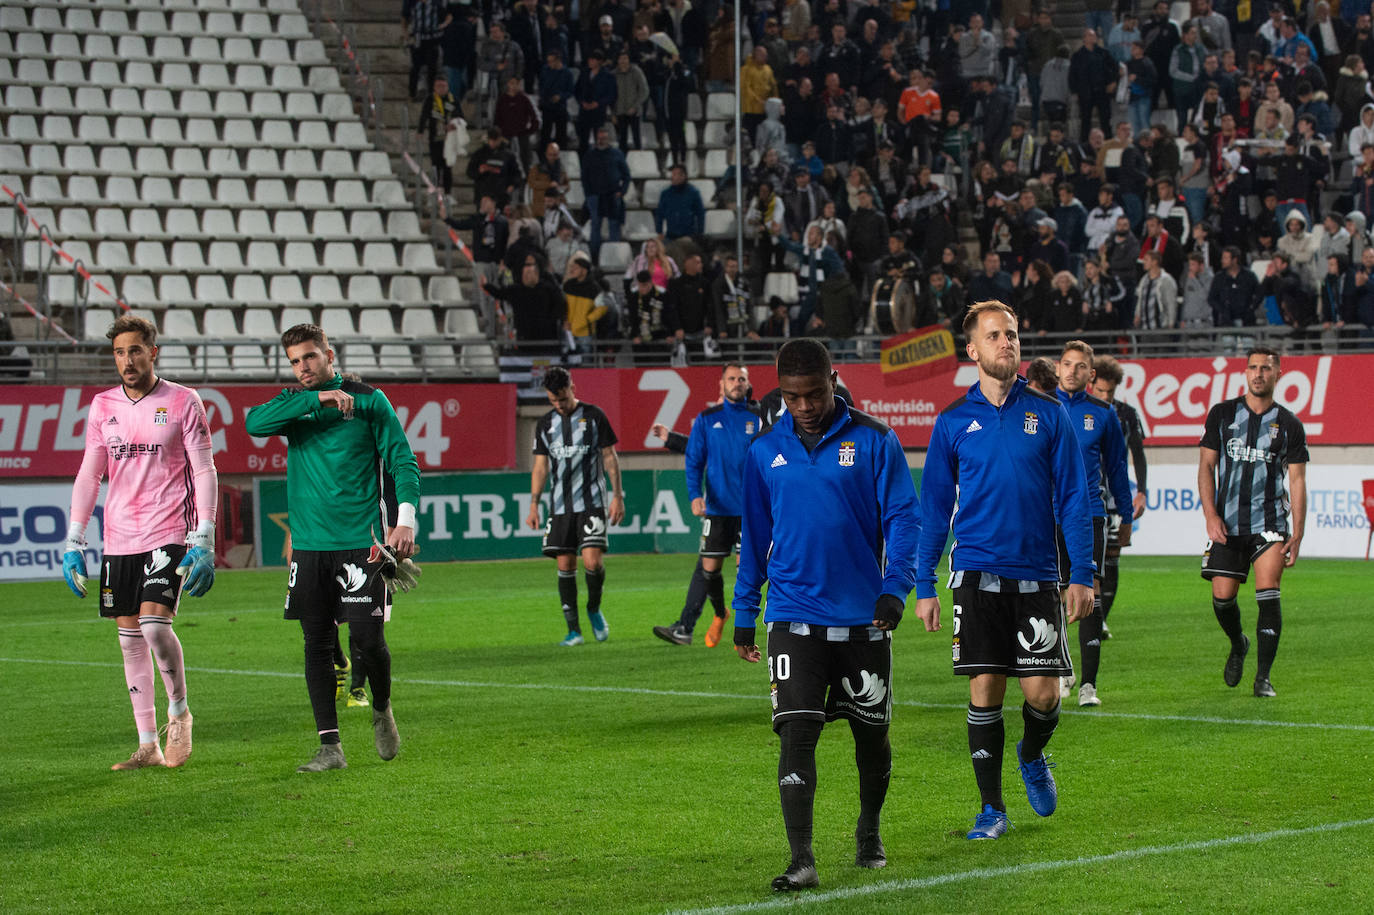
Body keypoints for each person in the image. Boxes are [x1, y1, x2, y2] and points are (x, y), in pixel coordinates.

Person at [732, 338, 920, 892]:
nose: (806, 406)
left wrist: (896, 589)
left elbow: (904, 521)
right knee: (796, 734)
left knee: (872, 737)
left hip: (864, 619)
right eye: (792, 398)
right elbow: (754, 536)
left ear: (833, 380)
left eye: (814, 393)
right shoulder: (764, 452)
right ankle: (802, 859)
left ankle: (868, 829)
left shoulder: (875, 440)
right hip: (792, 616)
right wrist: (745, 611)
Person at [916, 300, 1095, 841]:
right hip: (974, 573)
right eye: (994, 336)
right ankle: (991, 809)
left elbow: (1073, 497)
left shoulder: (1049, 413)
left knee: (1043, 696)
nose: (1007, 343)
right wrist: (923, 583)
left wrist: (1082, 571)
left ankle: (1032, 754)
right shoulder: (951, 422)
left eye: (1012, 334)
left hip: (1038, 575)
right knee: (986, 689)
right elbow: (933, 509)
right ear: (972, 350)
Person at [245, 324, 420, 772]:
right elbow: (253, 423)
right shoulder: (293, 407)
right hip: (308, 547)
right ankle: (330, 747)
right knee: (316, 643)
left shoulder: (368, 401)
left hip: (362, 543)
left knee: (366, 640)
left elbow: (402, 462)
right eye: (294, 361)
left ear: (329, 354)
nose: (302, 367)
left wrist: (404, 523)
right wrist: (315, 399)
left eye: (309, 357)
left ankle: (381, 706)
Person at [61, 314, 217, 770]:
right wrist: (75, 540)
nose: (126, 360)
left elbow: (204, 470)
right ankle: (147, 743)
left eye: (134, 350)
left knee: (153, 627)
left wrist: (202, 537)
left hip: (169, 529)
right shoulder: (102, 405)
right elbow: (90, 474)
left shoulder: (184, 401)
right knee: (129, 639)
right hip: (120, 536)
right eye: (118, 352)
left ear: (153, 352)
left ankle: (179, 713)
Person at [1198, 346, 1308, 698]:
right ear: (1245, 373)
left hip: (1270, 523)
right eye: (1253, 367)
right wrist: (1211, 515)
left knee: (1268, 593)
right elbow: (1206, 467)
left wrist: (1299, 532)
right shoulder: (1222, 414)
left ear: (1278, 374)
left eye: (1266, 368)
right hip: (1228, 524)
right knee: (1222, 596)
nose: (1258, 373)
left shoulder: (1289, 424)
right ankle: (1237, 642)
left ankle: (1263, 678)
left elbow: (1297, 481)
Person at [653, 364, 762, 647]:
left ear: (748, 384)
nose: (737, 383)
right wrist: (694, 494)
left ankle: (745, 629)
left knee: (746, 569)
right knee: (709, 569)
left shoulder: (760, 418)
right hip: (717, 508)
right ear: (721, 384)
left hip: (751, 510)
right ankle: (717, 615)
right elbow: (694, 459)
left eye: (741, 379)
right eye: (732, 379)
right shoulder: (706, 419)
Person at [1053, 341, 1134, 707]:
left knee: (1090, 593)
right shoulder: (1039, 410)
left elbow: (1118, 468)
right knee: (1053, 595)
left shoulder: (1102, 413)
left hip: (1090, 516)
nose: (1072, 371)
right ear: (1058, 369)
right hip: (1047, 516)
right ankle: (1062, 672)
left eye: (1080, 366)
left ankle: (1089, 684)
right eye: (1066, 364)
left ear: (1091, 374)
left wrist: (1127, 515)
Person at [526, 367, 625, 647]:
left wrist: (617, 495)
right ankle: (574, 630)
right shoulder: (545, 424)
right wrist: (534, 504)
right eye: (553, 400)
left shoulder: (594, 416)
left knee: (593, 561)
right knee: (565, 563)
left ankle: (594, 608)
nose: (559, 404)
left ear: (573, 388)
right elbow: (540, 466)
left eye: (563, 398)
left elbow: (609, 457)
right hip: (559, 506)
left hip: (592, 501)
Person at [1090, 356, 1148, 639]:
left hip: (1114, 499)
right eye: (1100, 391)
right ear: (1091, 385)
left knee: (1112, 560)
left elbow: (1138, 454)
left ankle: (1100, 620)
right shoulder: (1079, 412)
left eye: (1109, 392)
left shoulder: (1127, 414)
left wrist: (1142, 491)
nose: (1105, 397)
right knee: (1088, 562)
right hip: (1086, 498)